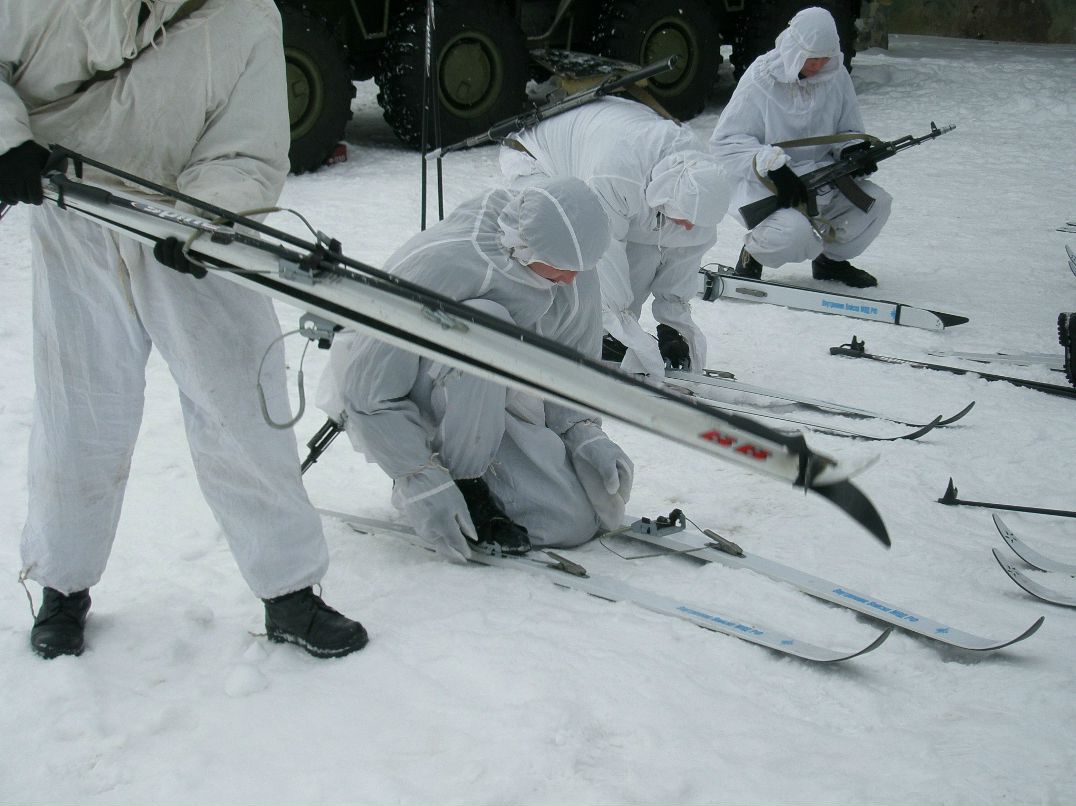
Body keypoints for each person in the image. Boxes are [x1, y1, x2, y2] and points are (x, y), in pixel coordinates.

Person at [0, 0, 367, 659]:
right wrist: (8, 146)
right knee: (78, 408)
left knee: (240, 408)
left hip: (184, 224)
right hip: (73, 210)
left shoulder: (247, 16)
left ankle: (289, 594)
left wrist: (207, 220)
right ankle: (62, 587)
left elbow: (245, 147)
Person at [316, 178, 634, 561]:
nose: (572, 279)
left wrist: (583, 433)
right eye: (563, 268)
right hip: (409, 392)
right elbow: (368, 389)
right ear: (523, 245)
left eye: (581, 267)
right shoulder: (446, 262)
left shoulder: (570, 260)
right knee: (486, 323)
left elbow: (574, 365)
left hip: (493, 393)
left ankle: (486, 476)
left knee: (569, 522)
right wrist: (420, 479)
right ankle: (466, 484)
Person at [500, 96, 731, 380]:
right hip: (535, 156)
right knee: (566, 249)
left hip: (605, 138)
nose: (687, 225)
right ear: (666, 194)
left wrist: (672, 323)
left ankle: (605, 334)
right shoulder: (617, 175)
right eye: (685, 217)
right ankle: (560, 333)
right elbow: (603, 252)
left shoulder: (696, 180)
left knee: (648, 248)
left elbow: (686, 246)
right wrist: (622, 328)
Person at [709, 6, 892, 289]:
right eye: (812, 58)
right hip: (773, 187)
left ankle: (830, 262)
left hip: (825, 179)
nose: (818, 65)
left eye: (824, 58)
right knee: (793, 234)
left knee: (876, 204)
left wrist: (853, 150)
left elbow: (848, 129)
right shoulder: (761, 78)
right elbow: (726, 143)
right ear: (795, 49)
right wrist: (771, 165)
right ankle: (754, 253)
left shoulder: (837, 76)